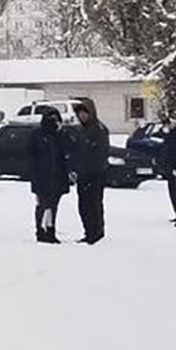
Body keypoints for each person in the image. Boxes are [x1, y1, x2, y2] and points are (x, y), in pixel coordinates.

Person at [27, 107, 71, 244]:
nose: (54, 122)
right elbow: (30, 154)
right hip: (42, 175)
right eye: (51, 119)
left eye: (56, 119)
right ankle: (41, 230)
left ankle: (50, 229)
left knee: (53, 204)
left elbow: (67, 152)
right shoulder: (38, 134)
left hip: (58, 175)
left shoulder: (61, 135)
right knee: (43, 204)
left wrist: (60, 132)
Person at [69, 100, 110, 244]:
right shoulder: (81, 130)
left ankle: (95, 232)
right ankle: (89, 231)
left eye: (85, 113)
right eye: (79, 113)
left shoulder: (98, 129)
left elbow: (100, 153)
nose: (82, 116)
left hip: (94, 174)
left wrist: (89, 167)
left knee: (93, 204)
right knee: (84, 205)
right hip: (83, 174)